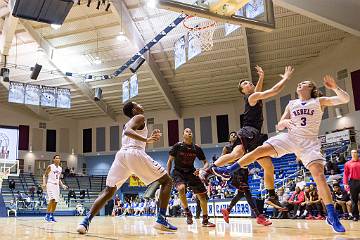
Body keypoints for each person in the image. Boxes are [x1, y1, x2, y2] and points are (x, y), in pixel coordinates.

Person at [214, 75, 350, 232]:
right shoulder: (292, 104)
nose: (300, 83)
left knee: (319, 176)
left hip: (309, 143)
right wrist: (283, 123)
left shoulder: (318, 101)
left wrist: (334, 87)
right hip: (290, 138)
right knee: (259, 150)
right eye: (300, 82)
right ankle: (228, 170)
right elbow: (279, 125)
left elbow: (344, 99)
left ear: (311, 88)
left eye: (304, 82)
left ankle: (332, 216)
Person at [77, 102, 177, 234]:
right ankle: (161, 219)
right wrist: (146, 140)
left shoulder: (133, 121)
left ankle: (85, 221)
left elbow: (130, 133)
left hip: (122, 156)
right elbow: (128, 131)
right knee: (167, 181)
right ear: (135, 110)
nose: (141, 105)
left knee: (109, 191)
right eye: (138, 104)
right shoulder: (139, 117)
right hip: (134, 154)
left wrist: (147, 139)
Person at [200, 66, 294, 207]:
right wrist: (285, 78)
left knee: (268, 166)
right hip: (248, 131)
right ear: (243, 91)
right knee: (236, 154)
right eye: (245, 84)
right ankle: (207, 171)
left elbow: (258, 90)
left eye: (249, 82)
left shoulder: (254, 95)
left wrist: (261, 77)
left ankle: (271, 196)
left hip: (256, 135)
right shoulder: (252, 97)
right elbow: (274, 91)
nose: (248, 83)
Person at [220, 132, 271, 226]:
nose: (234, 135)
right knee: (247, 192)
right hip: (235, 172)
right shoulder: (227, 147)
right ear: (229, 139)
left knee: (240, 194)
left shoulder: (242, 146)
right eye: (232, 135)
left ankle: (227, 210)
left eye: (235, 134)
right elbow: (222, 159)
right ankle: (259, 216)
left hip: (244, 172)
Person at [167, 128, 215, 227]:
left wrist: (201, 170)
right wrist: (168, 175)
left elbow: (206, 162)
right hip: (178, 172)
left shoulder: (196, 148)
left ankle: (205, 220)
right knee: (181, 188)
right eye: (186, 131)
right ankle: (188, 213)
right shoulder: (177, 146)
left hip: (191, 172)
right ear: (183, 135)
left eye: (190, 131)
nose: (189, 132)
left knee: (202, 196)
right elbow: (170, 161)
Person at [43, 155, 68, 222]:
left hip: (56, 186)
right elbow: (44, 175)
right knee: (52, 199)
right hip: (50, 184)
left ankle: (51, 216)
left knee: (56, 202)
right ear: (53, 160)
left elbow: (59, 178)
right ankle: (47, 216)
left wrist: (62, 185)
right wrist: (44, 183)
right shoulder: (50, 166)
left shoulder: (60, 168)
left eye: (59, 158)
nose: (58, 159)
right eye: (56, 158)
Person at [343, 149, 360, 221]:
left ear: (357, 153)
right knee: (354, 200)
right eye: (352, 153)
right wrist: (345, 183)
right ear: (351, 154)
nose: (354, 154)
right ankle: (355, 216)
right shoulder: (347, 163)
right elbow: (345, 174)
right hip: (353, 182)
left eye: (355, 152)